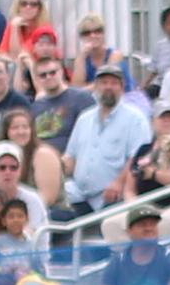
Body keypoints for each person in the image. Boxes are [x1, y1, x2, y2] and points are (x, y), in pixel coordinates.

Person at [59, 66, 153, 219]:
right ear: (95, 87)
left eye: (114, 83)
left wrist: (118, 183)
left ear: (122, 88)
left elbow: (137, 160)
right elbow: (70, 158)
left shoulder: (136, 119)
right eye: (103, 82)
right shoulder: (84, 118)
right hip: (78, 195)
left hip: (113, 198)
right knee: (53, 219)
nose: (108, 87)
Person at [0, 0, 59, 94]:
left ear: (39, 8)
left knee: (14, 67)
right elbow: (2, 54)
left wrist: (15, 29)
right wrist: (15, 28)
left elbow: (18, 54)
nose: (28, 7)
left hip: (40, 69)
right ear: (18, 7)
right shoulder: (12, 25)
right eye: (24, 3)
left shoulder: (44, 28)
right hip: (22, 69)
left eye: (33, 4)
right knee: (4, 67)